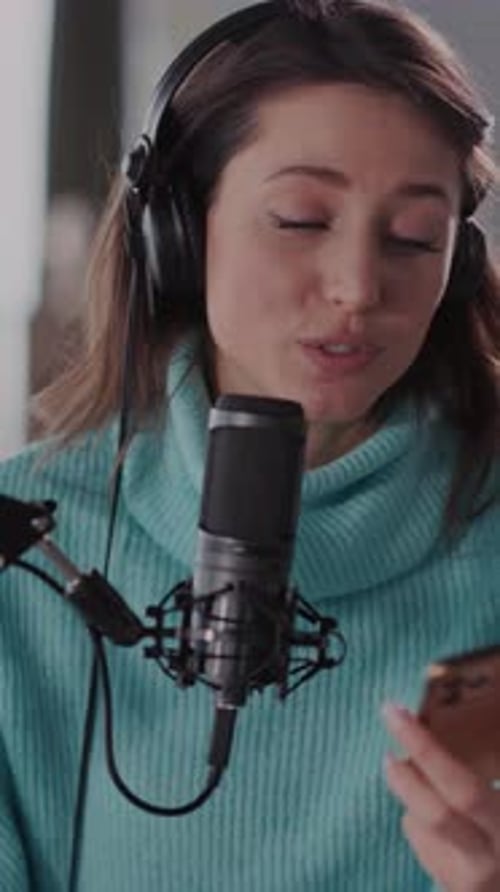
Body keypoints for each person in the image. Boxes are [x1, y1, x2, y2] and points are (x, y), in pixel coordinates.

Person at [1, 0, 500, 889]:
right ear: (180, 234)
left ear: (455, 264)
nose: (357, 287)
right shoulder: (27, 553)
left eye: (415, 238)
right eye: (303, 218)